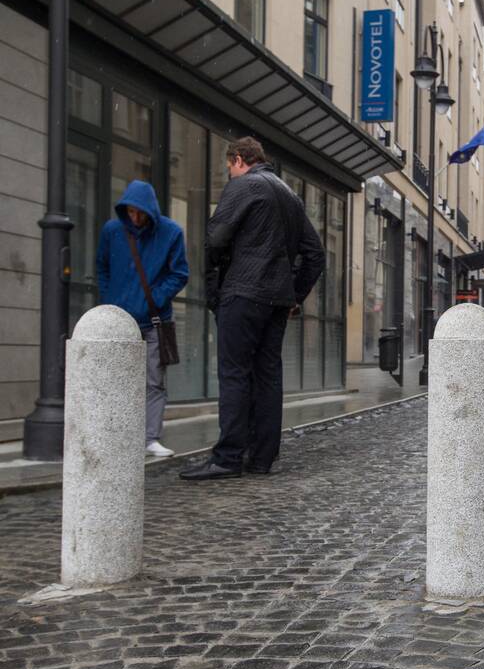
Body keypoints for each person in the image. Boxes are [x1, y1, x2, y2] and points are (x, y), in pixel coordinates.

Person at [181, 137, 325, 481]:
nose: (229, 173)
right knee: (267, 376)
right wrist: (294, 295)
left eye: (229, 166)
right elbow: (315, 254)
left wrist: (216, 285)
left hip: (243, 294)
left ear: (240, 159)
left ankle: (228, 457)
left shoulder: (244, 186)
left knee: (234, 374)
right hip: (276, 301)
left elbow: (215, 239)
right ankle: (261, 457)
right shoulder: (290, 197)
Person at [96, 181, 190, 458]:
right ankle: (115, 434)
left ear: (150, 210)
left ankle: (150, 438)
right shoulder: (112, 231)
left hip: (155, 320)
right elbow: (102, 266)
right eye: (131, 212)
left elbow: (180, 273)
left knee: (153, 381)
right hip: (118, 320)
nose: (135, 217)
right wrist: (109, 300)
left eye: (140, 212)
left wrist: (155, 299)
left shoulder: (171, 233)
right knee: (115, 380)